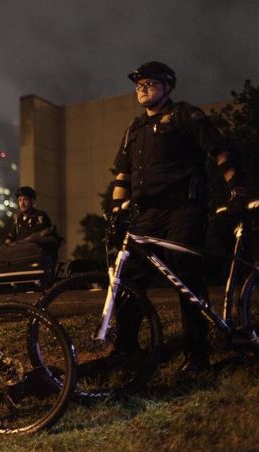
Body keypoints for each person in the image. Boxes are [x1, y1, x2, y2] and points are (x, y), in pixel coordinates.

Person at [111, 61, 245, 372]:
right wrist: (117, 211)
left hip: (183, 210)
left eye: (151, 83)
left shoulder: (184, 115)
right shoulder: (134, 129)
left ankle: (197, 353)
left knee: (185, 277)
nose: (142, 88)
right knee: (129, 279)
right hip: (147, 214)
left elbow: (220, 151)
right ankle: (126, 350)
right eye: (139, 84)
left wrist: (236, 190)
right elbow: (122, 174)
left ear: (168, 87)